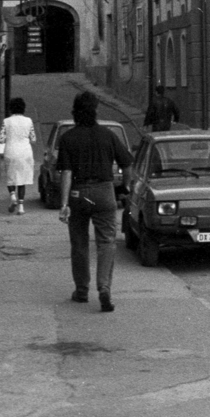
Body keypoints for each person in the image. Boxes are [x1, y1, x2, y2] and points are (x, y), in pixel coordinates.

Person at [56, 91, 133, 311]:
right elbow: (127, 164)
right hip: (104, 192)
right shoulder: (107, 135)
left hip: (79, 195)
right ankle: (104, 288)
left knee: (79, 244)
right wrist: (125, 188)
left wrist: (63, 204)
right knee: (106, 242)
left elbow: (67, 174)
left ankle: (81, 291)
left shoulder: (67, 138)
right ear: (95, 111)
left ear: (75, 113)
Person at [0, 97, 36, 215]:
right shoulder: (29, 121)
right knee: (22, 180)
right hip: (25, 152)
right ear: (23, 108)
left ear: (11, 108)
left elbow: (0, 139)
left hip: (11, 151)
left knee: (11, 178)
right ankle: (21, 207)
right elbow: (33, 139)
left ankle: (13, 197)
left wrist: (7, 137)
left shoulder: (6, 121)